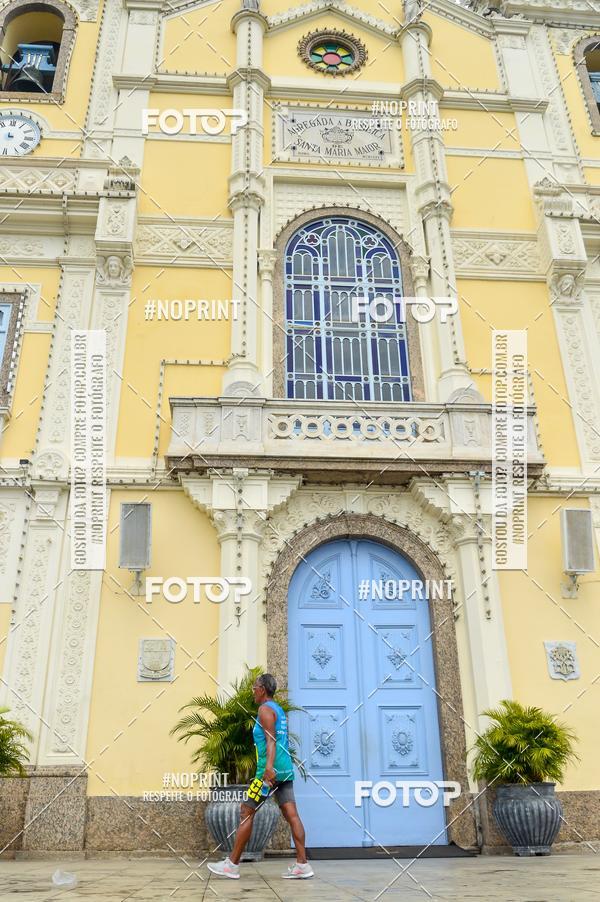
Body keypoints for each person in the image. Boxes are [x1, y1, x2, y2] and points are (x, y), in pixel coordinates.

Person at [207, 673, 314, 880]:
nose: (253, 691)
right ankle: (302, 864)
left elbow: (271, 741)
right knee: (292, 815)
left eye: (255, 687)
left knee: (246, 811)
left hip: (268, 772)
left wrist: (268, 769)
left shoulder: (265, 710)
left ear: (263, 689)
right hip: (285, 769)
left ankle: (232, 865)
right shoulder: (278, 709)